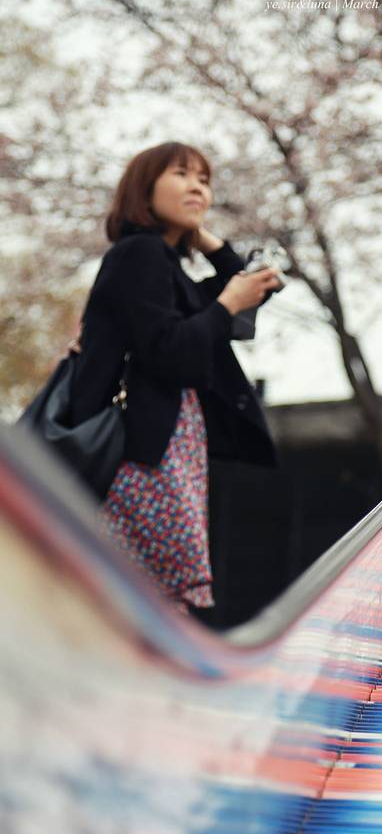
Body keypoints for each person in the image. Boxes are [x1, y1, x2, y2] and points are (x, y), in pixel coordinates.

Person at [69, 141, 281, 620]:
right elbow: (171, 351)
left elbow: (254, 285)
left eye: (204, 180)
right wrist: (226, 304)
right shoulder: (139, 255)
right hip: (139, 454)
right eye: (181, 175)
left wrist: (202, 239)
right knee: (148, 597)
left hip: (166, 444)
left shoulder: (166, 266)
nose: (197, 188)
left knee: (153, 598)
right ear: (145, 189)